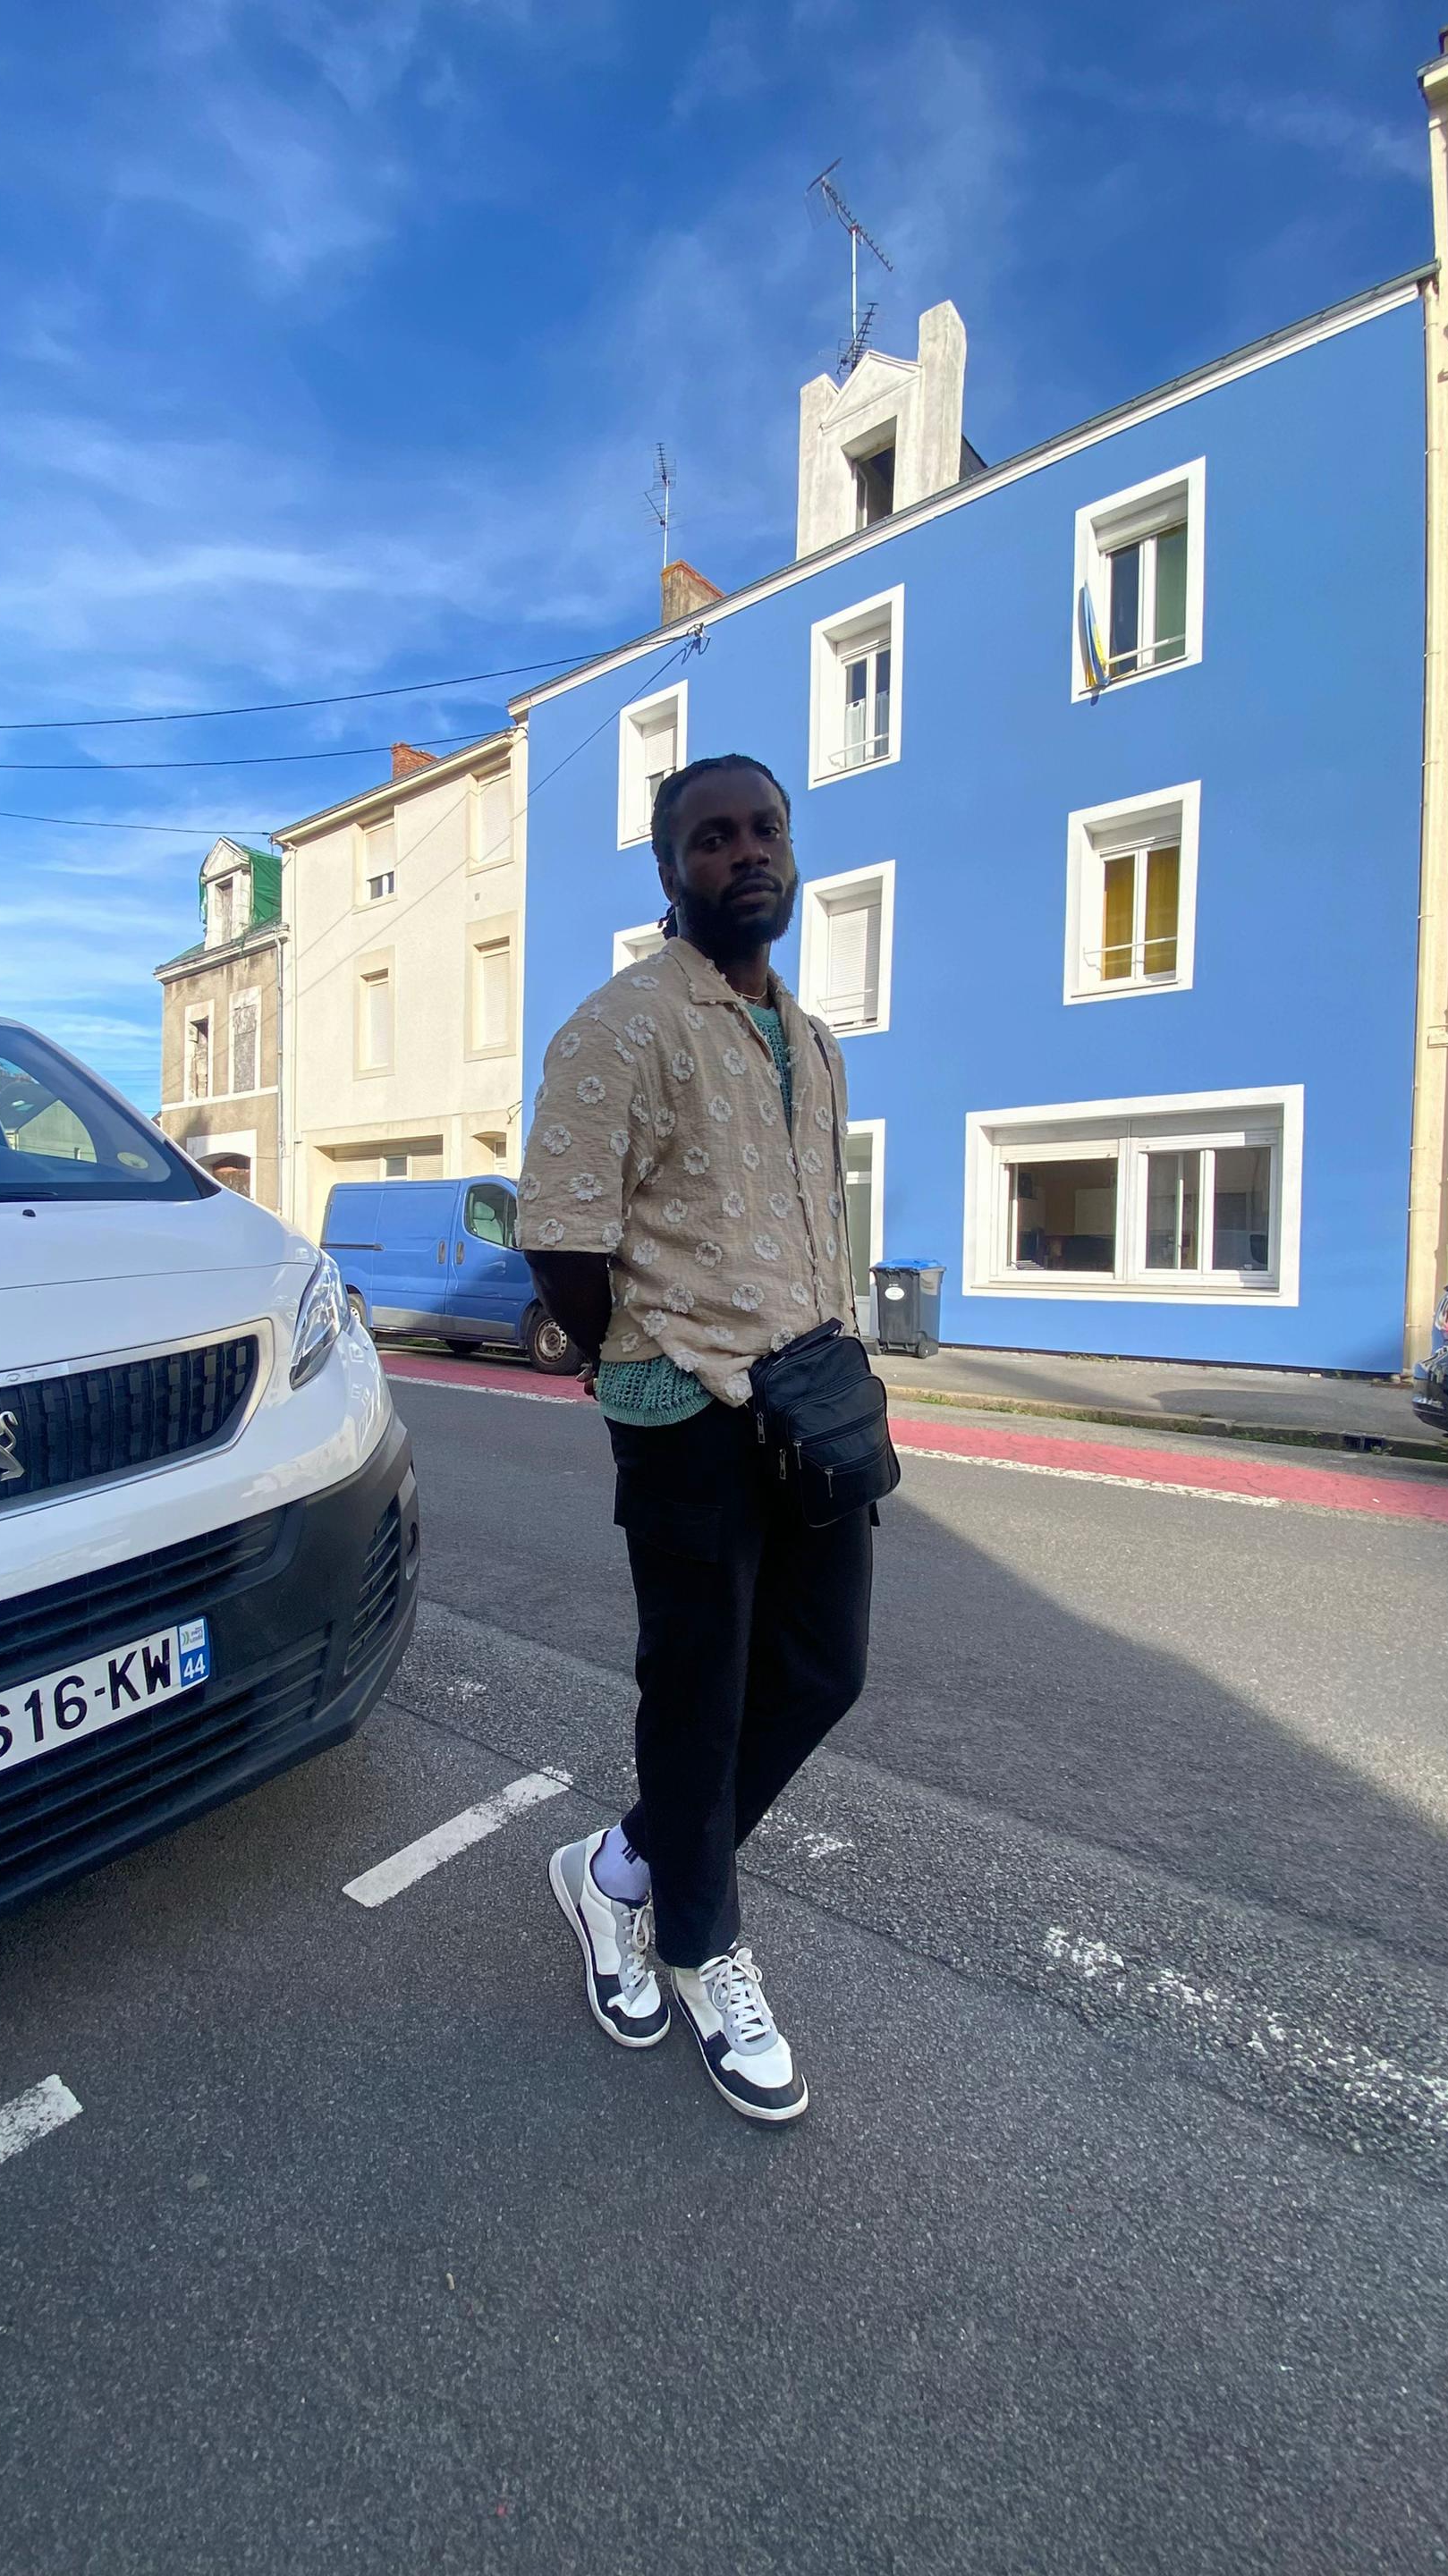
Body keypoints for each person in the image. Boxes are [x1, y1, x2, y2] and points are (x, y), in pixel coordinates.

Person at [520, 752, 874, 2123]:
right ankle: (697, 1946)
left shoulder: (815, 1041)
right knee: (699, 1692)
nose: (746, 854)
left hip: (812, 1408)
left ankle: (619, 1869)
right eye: (713, 838)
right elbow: (562, 1235)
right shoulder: (619, 1027)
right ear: (670, 871)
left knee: (824, 1670)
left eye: (764, 829)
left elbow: (816, 1225)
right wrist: (635, 1359)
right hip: (682, 1411)